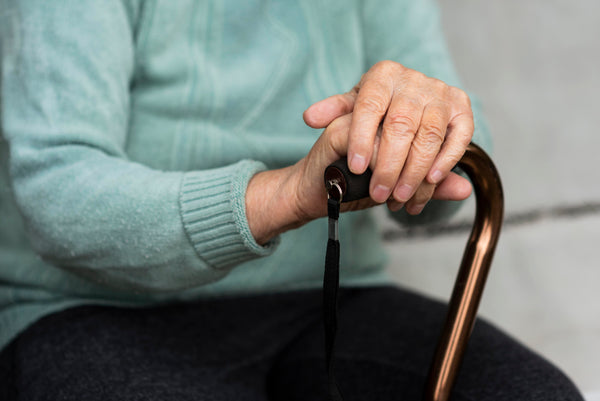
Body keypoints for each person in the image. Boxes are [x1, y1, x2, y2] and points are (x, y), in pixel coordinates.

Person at [0, 0, 583, 400]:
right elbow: (59, 192)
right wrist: (288, 194)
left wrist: (428, 134)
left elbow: (448, 185)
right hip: (95, 309)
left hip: (329, 298)